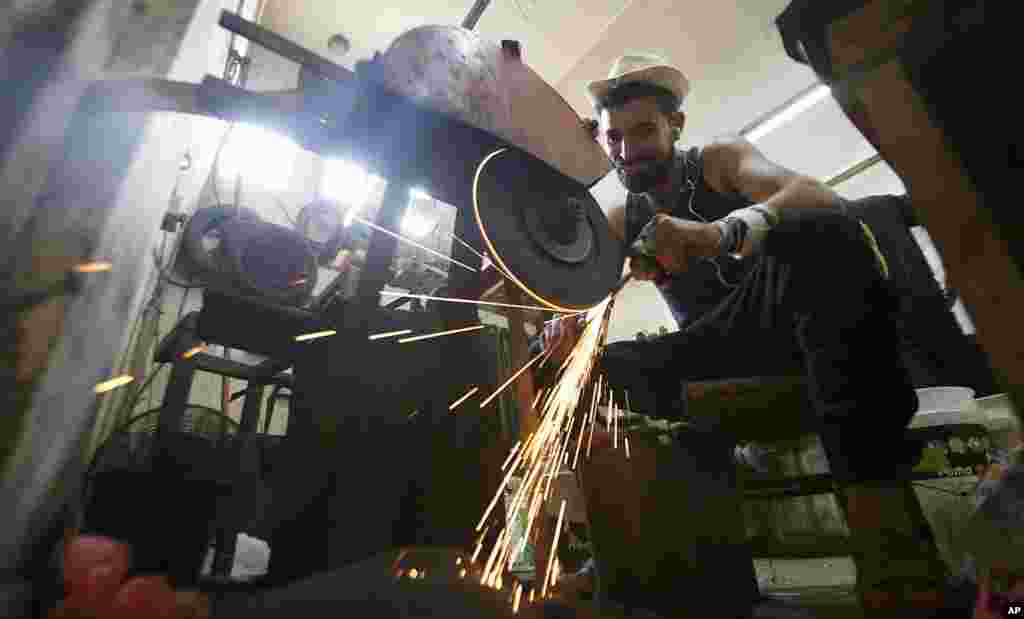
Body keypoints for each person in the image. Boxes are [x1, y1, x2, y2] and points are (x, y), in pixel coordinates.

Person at [539, 53, 922, 618]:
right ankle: (620, 553)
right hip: (709, 350)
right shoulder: (623, 219)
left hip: (787, 325)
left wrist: (719, 233)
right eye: (615, 138)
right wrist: (564, 324)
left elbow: (817, 195)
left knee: (818, 227)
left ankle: (886, 549)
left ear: (677, 127)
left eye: (643, 131)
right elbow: (582, 297)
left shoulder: (718, 162)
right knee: (579, 368)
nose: (627, 150)